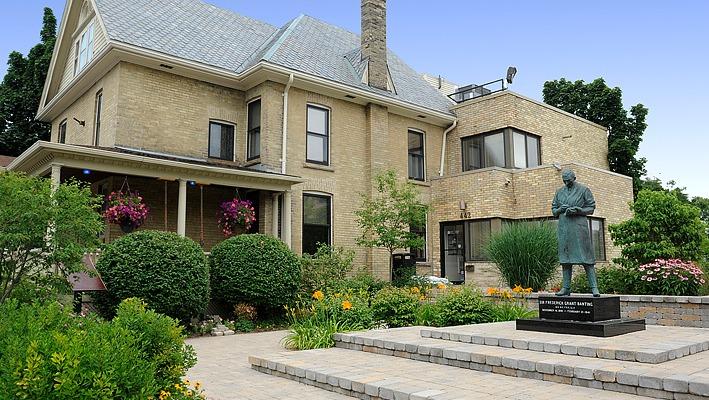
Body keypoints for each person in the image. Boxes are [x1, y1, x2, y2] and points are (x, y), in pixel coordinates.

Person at [551, 169, 600, 296]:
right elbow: (554, 209)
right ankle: (566, 288)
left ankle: (594, 288)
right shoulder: (559, 192)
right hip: (564, 229)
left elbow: (591, 208)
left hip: (579, 228)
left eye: (569, 180)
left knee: (586, 258)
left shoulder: (584, 190)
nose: (566, 183)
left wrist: (578, 210)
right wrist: (560, 209)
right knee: (565, 259)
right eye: (564, 180)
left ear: (574, 178)